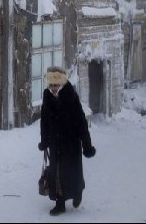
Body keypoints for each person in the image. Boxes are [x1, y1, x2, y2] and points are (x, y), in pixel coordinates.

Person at [38, 66, 96, 216]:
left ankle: (77, 191)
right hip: (55, 143)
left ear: (62, 84)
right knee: (56, 173)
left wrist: (87, 145)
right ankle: (60, 204)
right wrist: (44, 141)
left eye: (57, 85)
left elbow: (81, 121)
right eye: (52, 85)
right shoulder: (47, 97)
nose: (54, 88)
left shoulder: (70, 95)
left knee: (71, 172)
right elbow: (44, 121)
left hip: (71, 143)